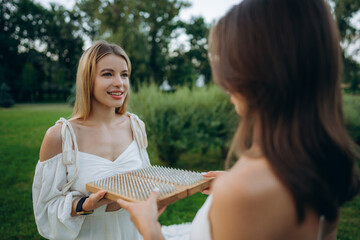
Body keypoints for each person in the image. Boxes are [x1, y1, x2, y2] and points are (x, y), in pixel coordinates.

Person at [117, 0, 360, 239]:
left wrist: (149, 228)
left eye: (229, 63)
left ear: (256, 72)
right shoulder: (326, 163)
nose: (225, 84)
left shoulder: (241, 193)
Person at [32, 40, 151, 240]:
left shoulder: (135, 126)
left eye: (124, 74)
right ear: (88, 80)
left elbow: (145, 182)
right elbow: (44, 210)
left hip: (133, 233)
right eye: (107, 74)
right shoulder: (60, 136)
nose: (119, 83)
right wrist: (84, 205)